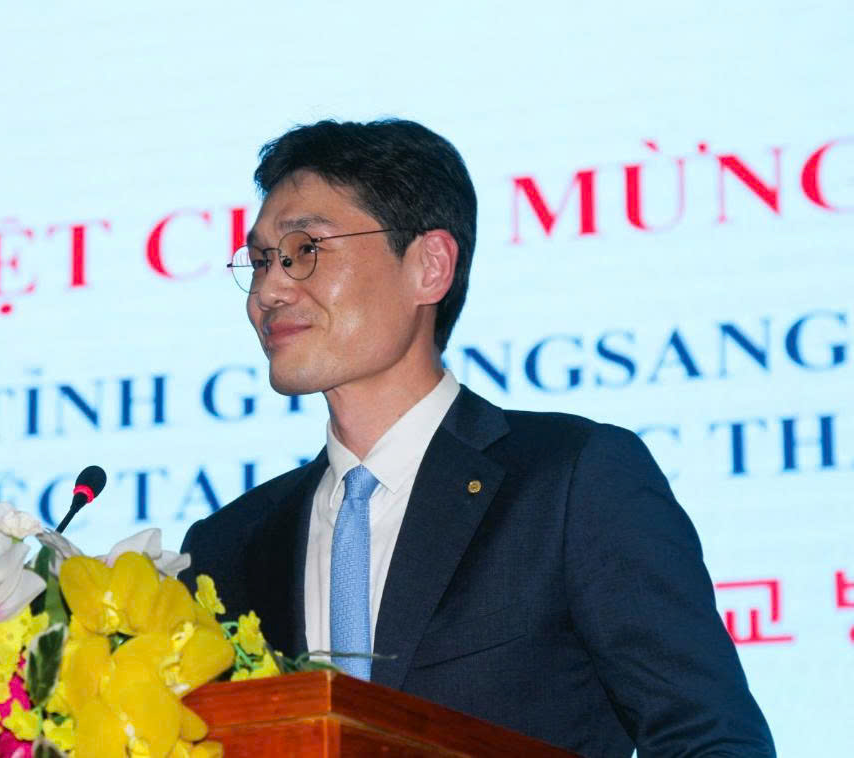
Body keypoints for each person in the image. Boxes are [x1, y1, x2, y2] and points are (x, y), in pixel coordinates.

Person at [179, 118, 774, 757]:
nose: (269, 290)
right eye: (261, 260)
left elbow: (711, 739)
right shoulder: (226, 547)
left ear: (429, 266)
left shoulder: (571, 481)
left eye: (304, 250)